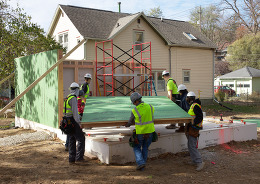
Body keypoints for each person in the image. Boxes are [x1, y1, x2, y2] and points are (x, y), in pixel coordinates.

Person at [125, 92, 155, 171]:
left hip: (141, 132)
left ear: (135, 101)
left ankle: (141, 163)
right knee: (145, 147)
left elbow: (130, 122)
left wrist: (127, 125)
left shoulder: (134, 110)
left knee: (136, 147)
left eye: (133, 103)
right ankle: (142, 166)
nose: (134, 104)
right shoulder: (150, 107)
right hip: (150, 132)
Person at [63, 82, 86, 164]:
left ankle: (71, 159)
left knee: (72, 139)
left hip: (67, 121)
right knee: (81, 138)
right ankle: (79, 158)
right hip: (72, 121)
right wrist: (79, 123)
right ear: (76, 90)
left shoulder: (68, 97)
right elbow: (75, 113)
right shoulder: (73, 98)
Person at [185, 91, 205, 171]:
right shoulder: (193, 105)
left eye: (187, 97)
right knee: (190, 145)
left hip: (194, 128)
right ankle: (194, 161)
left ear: (190, 98)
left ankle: (199, 162)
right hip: (192, 127)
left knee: (192, 146)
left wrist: (194, 122)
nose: (186, 99)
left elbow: (200, 117)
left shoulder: (195, 106)